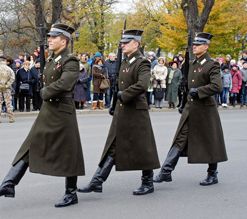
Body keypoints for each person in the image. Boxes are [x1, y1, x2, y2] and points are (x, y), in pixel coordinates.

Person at [0, 23, 85, 208]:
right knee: (30, 145)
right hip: (49, 109)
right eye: (49, 37)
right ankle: (9, 184)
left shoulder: (70, 60)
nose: (49, 40)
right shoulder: (51, 59)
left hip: (63, 109)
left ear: (63, 41)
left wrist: (46, 92)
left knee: (69, 151)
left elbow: (66, 83)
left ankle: (71, 193)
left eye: (53, 37)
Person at [78, 29, 159, 196]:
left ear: (136, 44)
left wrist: (125, 95)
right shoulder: (125, 62)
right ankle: (97, 181)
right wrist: (115, 103)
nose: (122, 45)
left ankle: (148, 182)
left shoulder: (142, 62)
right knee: (113, 146)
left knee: (144, 147)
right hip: (123, 109)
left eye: (126, 42)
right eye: (121, 42)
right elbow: (118, 87)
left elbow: (142, 85)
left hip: (136, 109)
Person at [153, 32, 228, 186]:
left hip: (205, 110)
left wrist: (199, 92)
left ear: (206, 47)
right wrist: (183, 102)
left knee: (210, 141)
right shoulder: (193, 63)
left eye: (197, 45)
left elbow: (217, 86)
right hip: (191, 108)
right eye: (193, 44)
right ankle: (166, 171)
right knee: (180, 139)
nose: (194, 47)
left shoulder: (212, 64)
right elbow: (187, 86)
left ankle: (212, 174)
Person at [0, 55, 15, 122]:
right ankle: (11, 117)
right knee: (8, 102)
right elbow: (12, 78)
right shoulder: (9, 69)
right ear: (5, 61)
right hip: (7, 88)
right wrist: (7, 85)